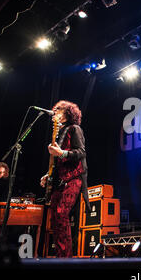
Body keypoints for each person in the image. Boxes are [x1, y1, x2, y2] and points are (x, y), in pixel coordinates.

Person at [40, 100, 91, 258]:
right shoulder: (59, 133)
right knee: (55, 217)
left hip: (73, 179)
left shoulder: (75, 129)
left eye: (59, 111)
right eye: (55, 111)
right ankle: (61, 255)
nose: (55, 113)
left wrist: (61, 153)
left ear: (68, 113)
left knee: (62, 214)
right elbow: (58, 162)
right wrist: (48, 175)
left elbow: (81, 153)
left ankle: (65, 258)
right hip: (59, 181)